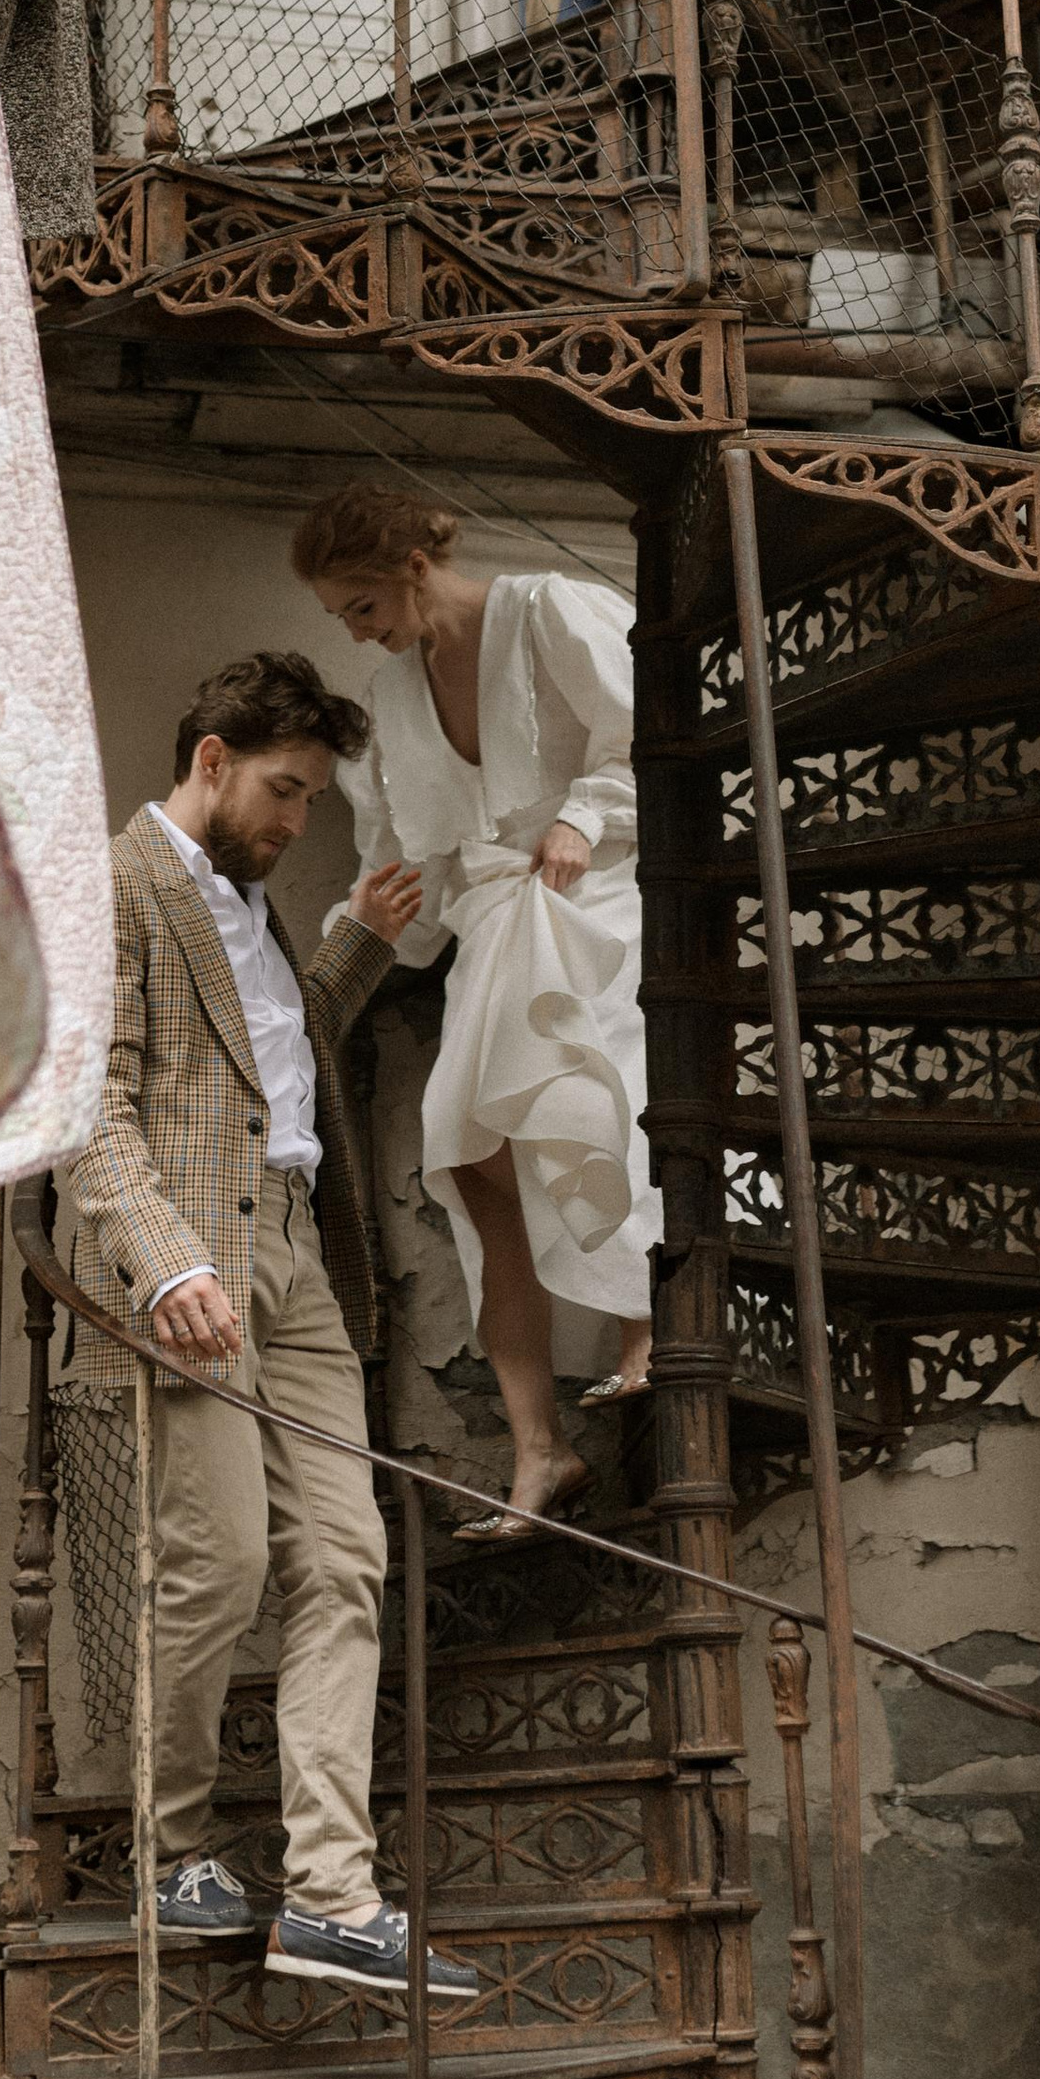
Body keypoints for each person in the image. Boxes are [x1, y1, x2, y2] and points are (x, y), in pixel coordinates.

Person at [65, 649, 480, 2001]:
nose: (298, 819)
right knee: (220, 1562)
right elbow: (91, 1104)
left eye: (310, 796)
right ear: (211, 759)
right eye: (286, 789)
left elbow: (268, 1056)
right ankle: (169, 1843)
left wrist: (352, 931)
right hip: (198, 1271)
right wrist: (164, 1256)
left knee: (347, 1559)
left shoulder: (253, 901)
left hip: (301, 1258)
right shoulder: (115, 889)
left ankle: (333, 1894)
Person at [292, 480, 660, 1541]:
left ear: (412, 564)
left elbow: (654, 736)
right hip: (495, 931)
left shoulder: (551, 611)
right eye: (344, 618)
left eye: (362, 604)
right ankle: (539, 1450)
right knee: (473, 1173)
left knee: (606, 1100)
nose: (359, 632)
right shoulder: (394, 699)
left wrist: (585, 816)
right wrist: (357, 928)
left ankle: (650, 1330)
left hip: (594, 908)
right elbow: (405, 863)